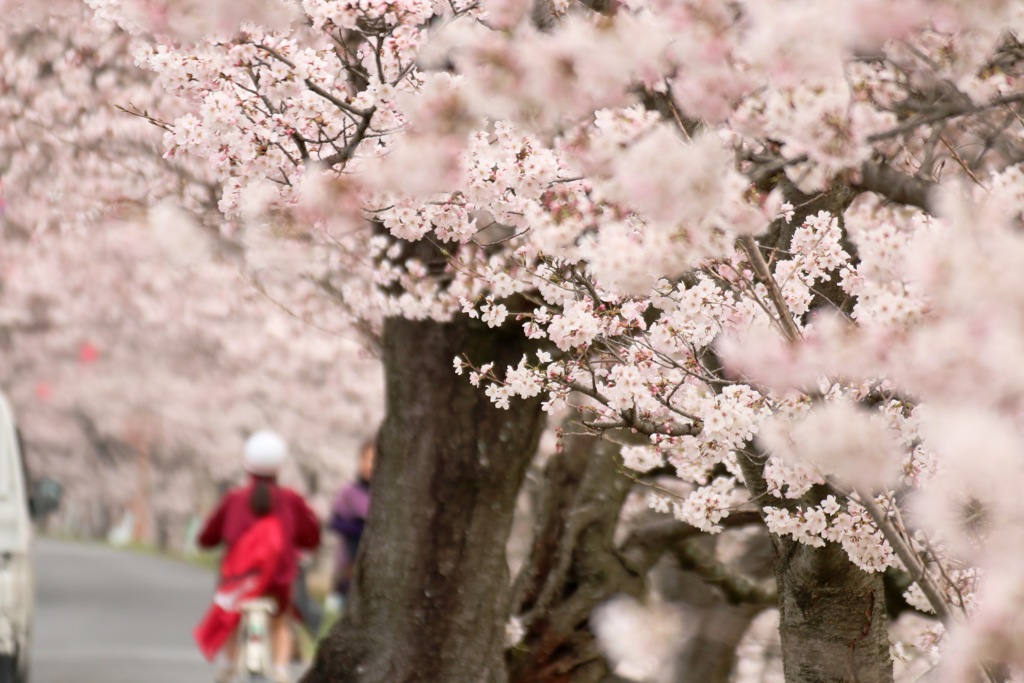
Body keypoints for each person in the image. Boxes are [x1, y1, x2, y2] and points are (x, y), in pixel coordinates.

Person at [195, 430, 320, 683]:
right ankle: (282, 670)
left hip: (239, 580)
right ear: (280, 467)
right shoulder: (291, 499)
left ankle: (228, 664)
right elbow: (312, 536)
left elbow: (207, 537)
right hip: (278, 580)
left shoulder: (234, 499)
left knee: (233, 611)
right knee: (281, 621)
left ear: (247, 465)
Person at [329, 435, 374, 607]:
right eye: (365, 459)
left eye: (374, 460)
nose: (369, 465)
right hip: (350, 558)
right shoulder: (349, 492)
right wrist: (357, 526)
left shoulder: (386, 495)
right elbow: (335, 521)